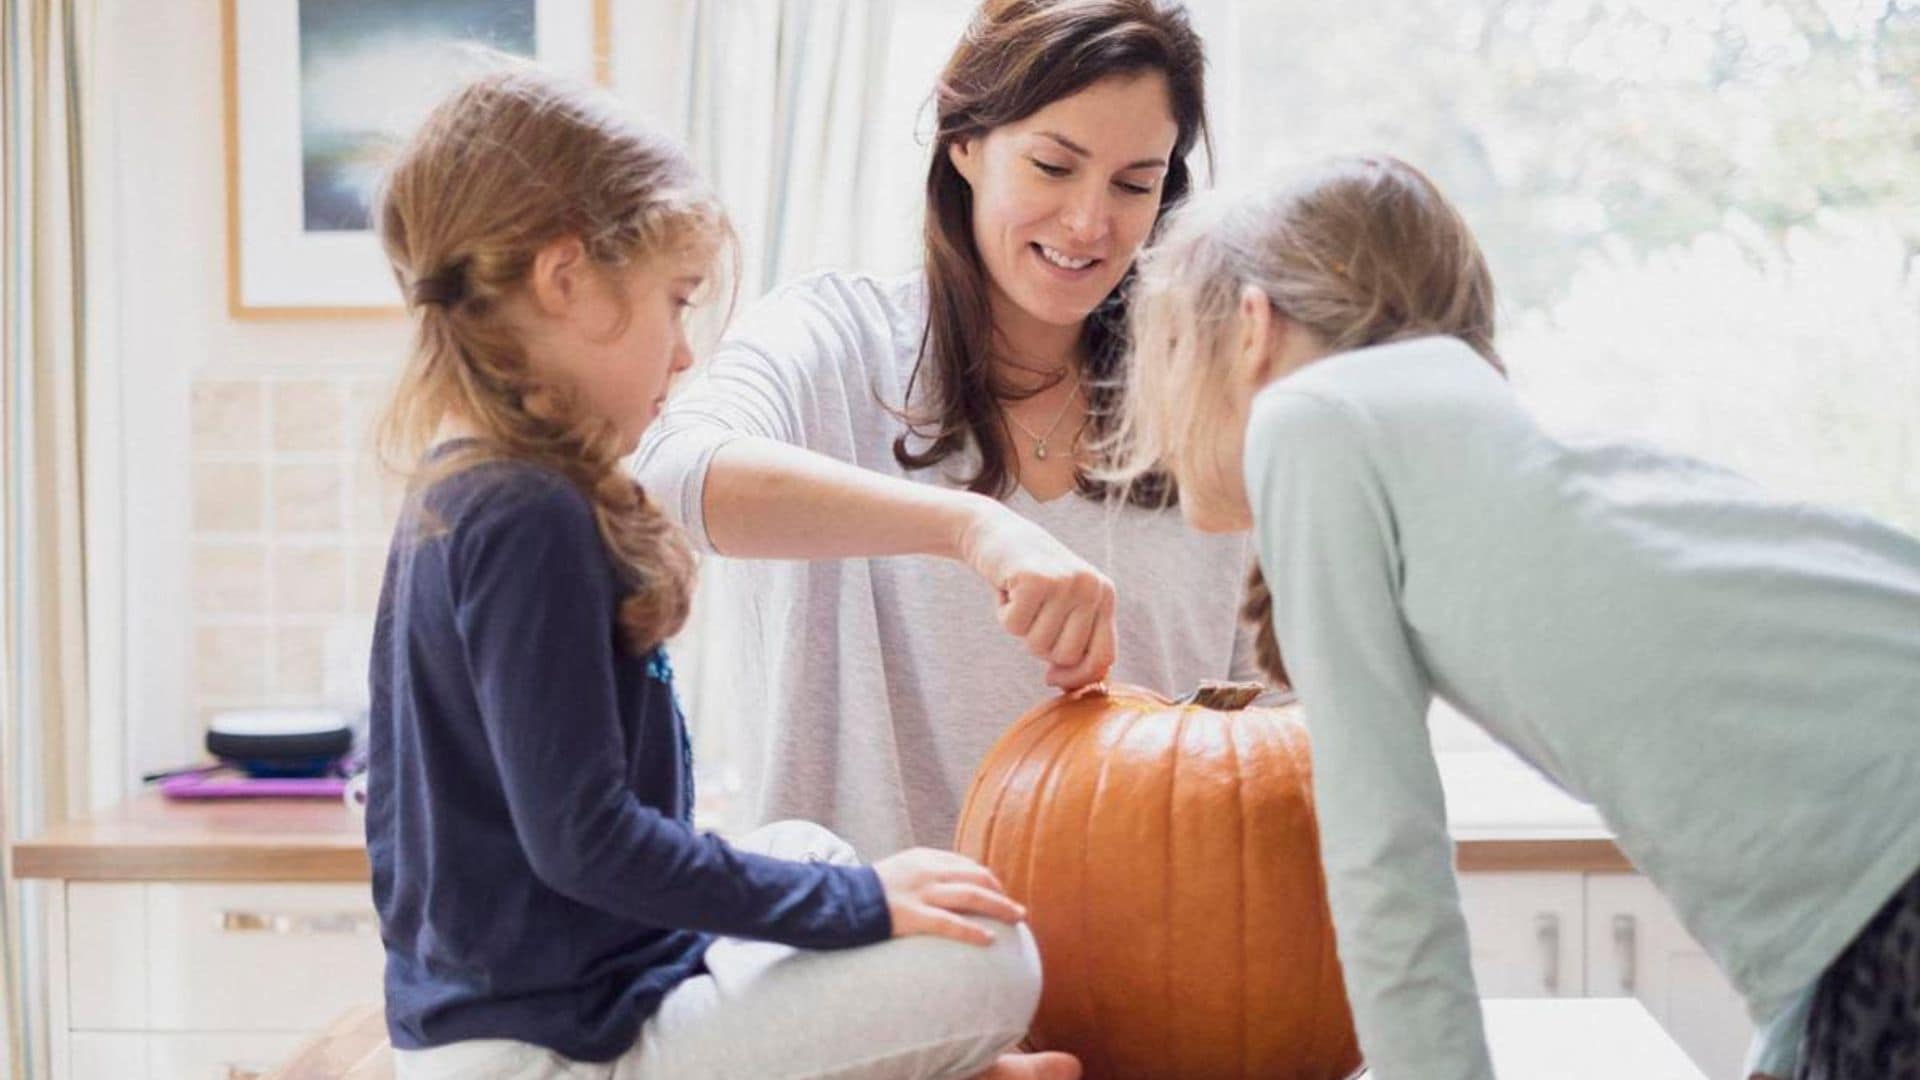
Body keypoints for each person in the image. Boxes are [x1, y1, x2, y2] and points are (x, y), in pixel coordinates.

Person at [1105, 153, 1920, 1080]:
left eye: (1169, 349)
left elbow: (1386, 854)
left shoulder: (1311, 417)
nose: (1158, 407)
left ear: (1252, 326)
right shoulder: (1461, 427)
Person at [364, 66, 1080, 1080]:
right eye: (675, 300)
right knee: (994, 962)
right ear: (566, 281)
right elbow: (587, 844)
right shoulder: (528, 513)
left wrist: (845, 896)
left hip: (549, 1003)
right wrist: (864, 908)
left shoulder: (468, 486)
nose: (686, 353)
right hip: (555, 1049)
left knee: (811, 846)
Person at [635, 0, 1260, 858]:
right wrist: (975, 527)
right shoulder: (834, 343)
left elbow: (1264, 741)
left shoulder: (1206, 412)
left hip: (1144, 964)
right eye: (1052, 166)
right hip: (869, 968)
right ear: (964, 142)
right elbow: (664, 484)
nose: (1089, 222)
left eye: (1134, 183)